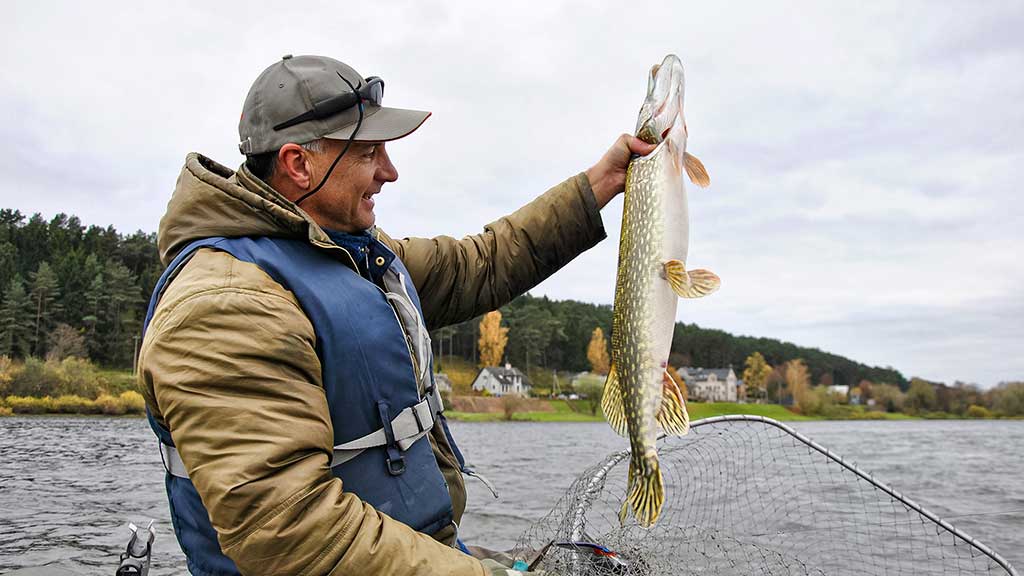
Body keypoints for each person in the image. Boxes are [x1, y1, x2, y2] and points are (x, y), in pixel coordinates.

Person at [137, 54, 654, 576]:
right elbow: (290, 532)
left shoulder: (354, 255)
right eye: (368, 153)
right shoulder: (225, 305)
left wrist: (600, 185)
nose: (390, 171)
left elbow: (481, 262)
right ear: (299, 164)